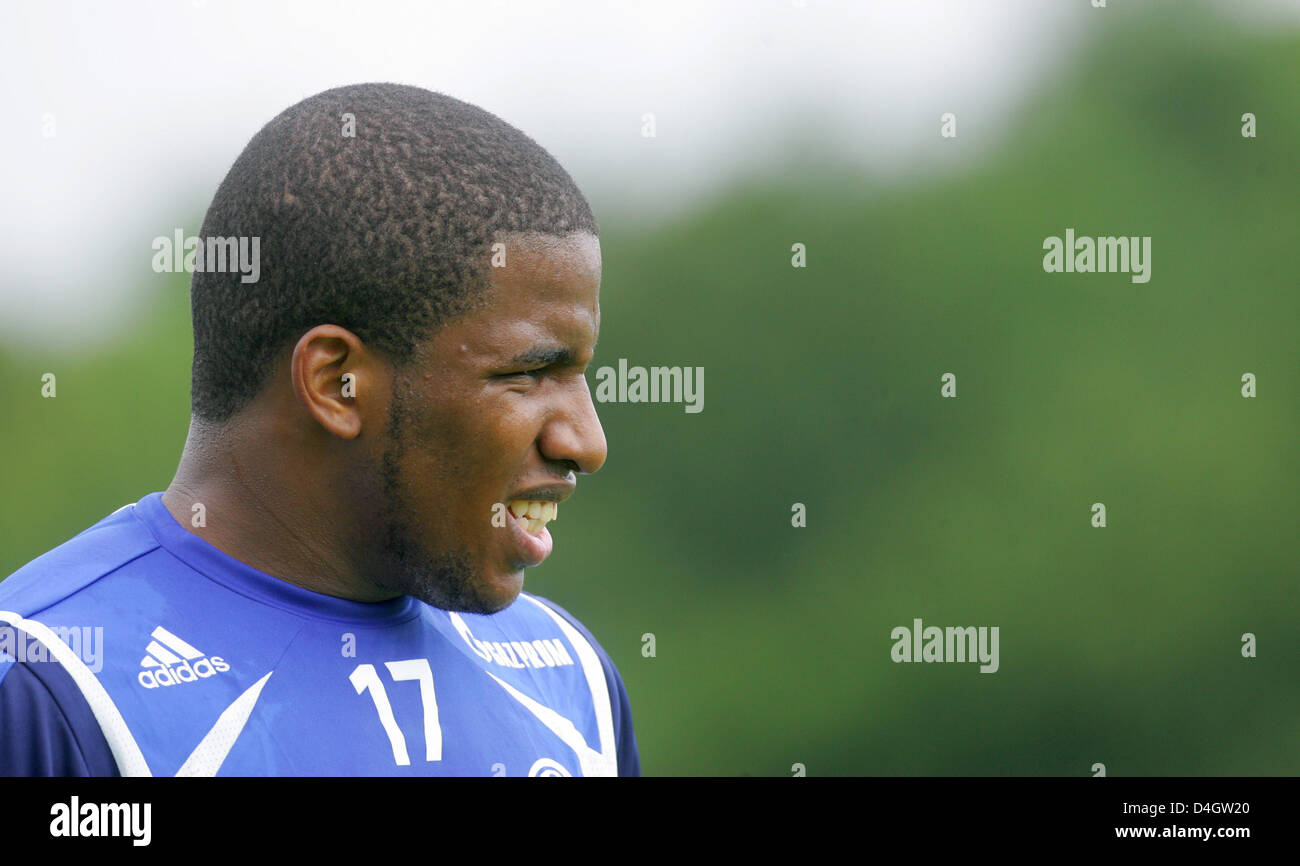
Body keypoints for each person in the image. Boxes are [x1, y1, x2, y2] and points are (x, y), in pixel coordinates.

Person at [0, 83, 638, 777]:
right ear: (337, 382)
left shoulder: (573, 688)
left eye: (580, 373)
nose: (585, 442)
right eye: (529, 373)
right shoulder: (49, 689)